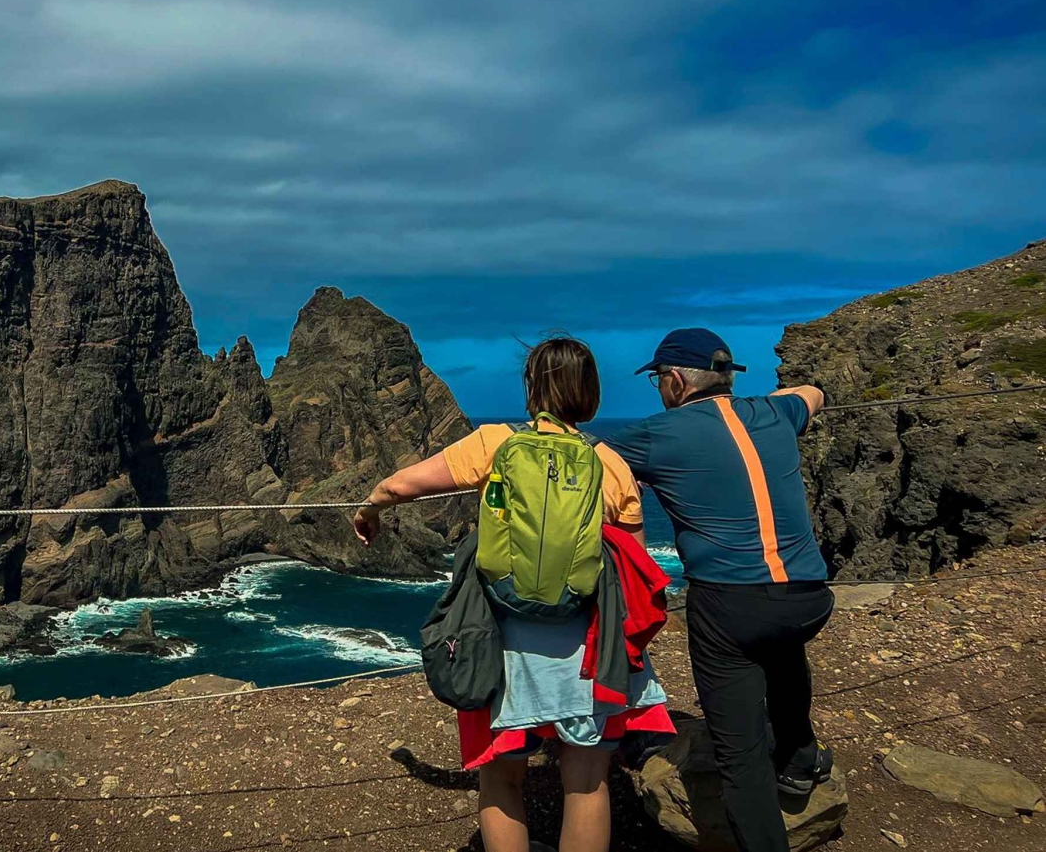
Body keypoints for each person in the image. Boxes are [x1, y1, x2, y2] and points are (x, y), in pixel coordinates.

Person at [353, 336, 672, 852]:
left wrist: (369, 510)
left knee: (502, 777)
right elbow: (637, 572)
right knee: (587, 781)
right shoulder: (611, 465)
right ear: (591, 393)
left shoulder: (496, 443)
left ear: (532, 388)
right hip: (585, 652)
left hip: (501, 647)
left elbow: (398, 487)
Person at [601, 327, 834, 852]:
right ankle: (799, 758)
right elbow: (813, 393)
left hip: (729, 608)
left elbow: (583, 466)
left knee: (741, 756)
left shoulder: (655, 434)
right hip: (809, 596)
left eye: (659, 379)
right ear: (727, 377)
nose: (658, 388)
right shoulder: (778, 414)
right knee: (781, 642)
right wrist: (779, 401)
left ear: (677, 381)